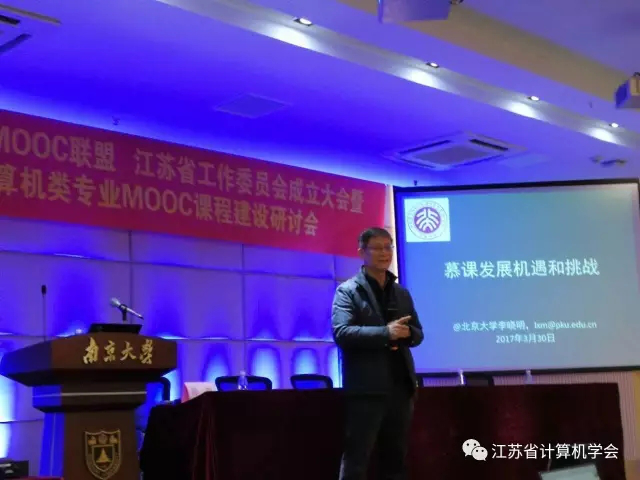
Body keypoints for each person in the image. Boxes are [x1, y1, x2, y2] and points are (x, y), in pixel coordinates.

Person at [331, 227, 424, 480]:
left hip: (401, 387)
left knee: (396, 460)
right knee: (357, 459)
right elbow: (342, 333)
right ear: (362, 252)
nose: (385, 253)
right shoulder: (348, 291)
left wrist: (407, 333)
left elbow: (418, 333)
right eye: (377, 248)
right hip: (367, 389)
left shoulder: (401, 292)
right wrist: (386, 333)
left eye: (388, 247)